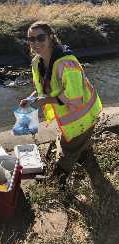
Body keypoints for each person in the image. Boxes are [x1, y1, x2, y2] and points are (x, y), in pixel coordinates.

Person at [19, 21, 103, 188]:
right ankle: (94, 171)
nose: (36, 42)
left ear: (51, 38)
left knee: (67, 147)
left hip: (83, 114)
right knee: (82, 143)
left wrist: (45, 101)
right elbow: (43, 88)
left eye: (40, 37)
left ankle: (58, 182)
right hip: (72, 116)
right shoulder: (37, 61)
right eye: (31, 39)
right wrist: (31, 98)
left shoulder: (67, 63)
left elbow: (75, 98)